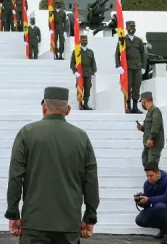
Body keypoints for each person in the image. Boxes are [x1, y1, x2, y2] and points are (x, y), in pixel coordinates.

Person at [6, 87, 99, 243]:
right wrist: (90, 216)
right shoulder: (81, 138)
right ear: (68, 110)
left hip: (35, 222)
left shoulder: (27, 133)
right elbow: (90, 180)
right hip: (69, 223)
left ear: (44, 107)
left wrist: (13, 212)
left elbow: (15, 176)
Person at [134, 163, 167, 244]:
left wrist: (149, 199)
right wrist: (140, 202)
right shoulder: (147, 184)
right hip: (157, 209)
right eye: (147, 176)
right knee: (140, 220)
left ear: (158, 173)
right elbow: (147, 205)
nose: (149, 178)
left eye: (151, 176)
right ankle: (163, 229)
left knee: (160, 206)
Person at [115, 20, 146, 113]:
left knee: (136, 87)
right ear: (126, 28)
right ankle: (128, 106)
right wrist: (118, 66)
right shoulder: (122, 41)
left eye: (133, 27)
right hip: (127, 68)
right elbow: (117, 54)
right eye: (130, 27)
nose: (132, 28)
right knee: (127, 87)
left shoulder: (139, 40)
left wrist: (143, 67)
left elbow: (143, 54)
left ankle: (135, 107)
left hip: (137, 67)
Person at [69, 34, 98, 110]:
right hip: (80, 73)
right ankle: (80, 104)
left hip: (88, 73)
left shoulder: (90, 52)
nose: (84, 42)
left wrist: (93, 72)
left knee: (87, 88)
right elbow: (72, 63)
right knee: (80, 88)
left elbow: (93, 63)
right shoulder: (76, 51)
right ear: (80, 41)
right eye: (83, 40)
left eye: (85, 40)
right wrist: (75, 71)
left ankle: (86, 104)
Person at [137, 92, 163, 168]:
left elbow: (156, 126)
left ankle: (159, 179)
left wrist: (151, 138)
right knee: (145, 161)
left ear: (144, 101)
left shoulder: (155, 111)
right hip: (148, 144)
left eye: (142, 101)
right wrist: (142, 128)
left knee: (152, 166)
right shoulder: (149, 112)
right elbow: (150, 127)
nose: (142, 103)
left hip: (154, 144)